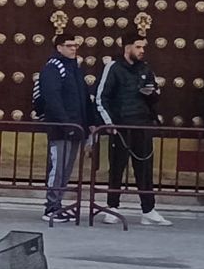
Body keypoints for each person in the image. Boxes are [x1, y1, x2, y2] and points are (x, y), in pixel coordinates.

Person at [96, 34, 170, 226]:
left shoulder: (145, 68)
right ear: (127, 47)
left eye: (143, 47)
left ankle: (148, 209)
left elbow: (155, 96)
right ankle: (112, 208)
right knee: (117, 167)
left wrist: (152, 93)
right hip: (121, 126)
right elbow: (101, 97)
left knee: (144, 168)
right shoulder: (113, 68)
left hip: (142, 124)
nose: (142, 50)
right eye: (138, 47)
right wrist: (109, 124)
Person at [35, 33, 89, 224]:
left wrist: (85, 123)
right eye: (69, 45)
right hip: (61, 129)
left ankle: (57, 204)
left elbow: (81, 97)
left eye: (75, 45)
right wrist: (65, 122)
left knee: (65, 170)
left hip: (75, 127)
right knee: (57, 168)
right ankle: (50, 207)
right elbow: (53, 97)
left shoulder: (73, 67)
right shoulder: (54, 67)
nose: (73, 48)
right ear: (59, 47)